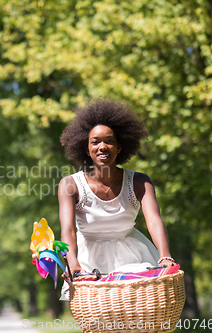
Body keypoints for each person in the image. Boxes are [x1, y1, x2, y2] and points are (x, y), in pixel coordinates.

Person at [57, 98, 177, 298]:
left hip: (133, 259)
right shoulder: (70, 184)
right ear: (87, 149)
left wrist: (165, 256)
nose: (102, 146)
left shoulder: (139, 182)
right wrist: (73, 265)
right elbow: (68, 230)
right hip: (87, 261)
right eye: (95, 142)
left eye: (109, 141)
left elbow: (154, 220)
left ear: (120, 147)